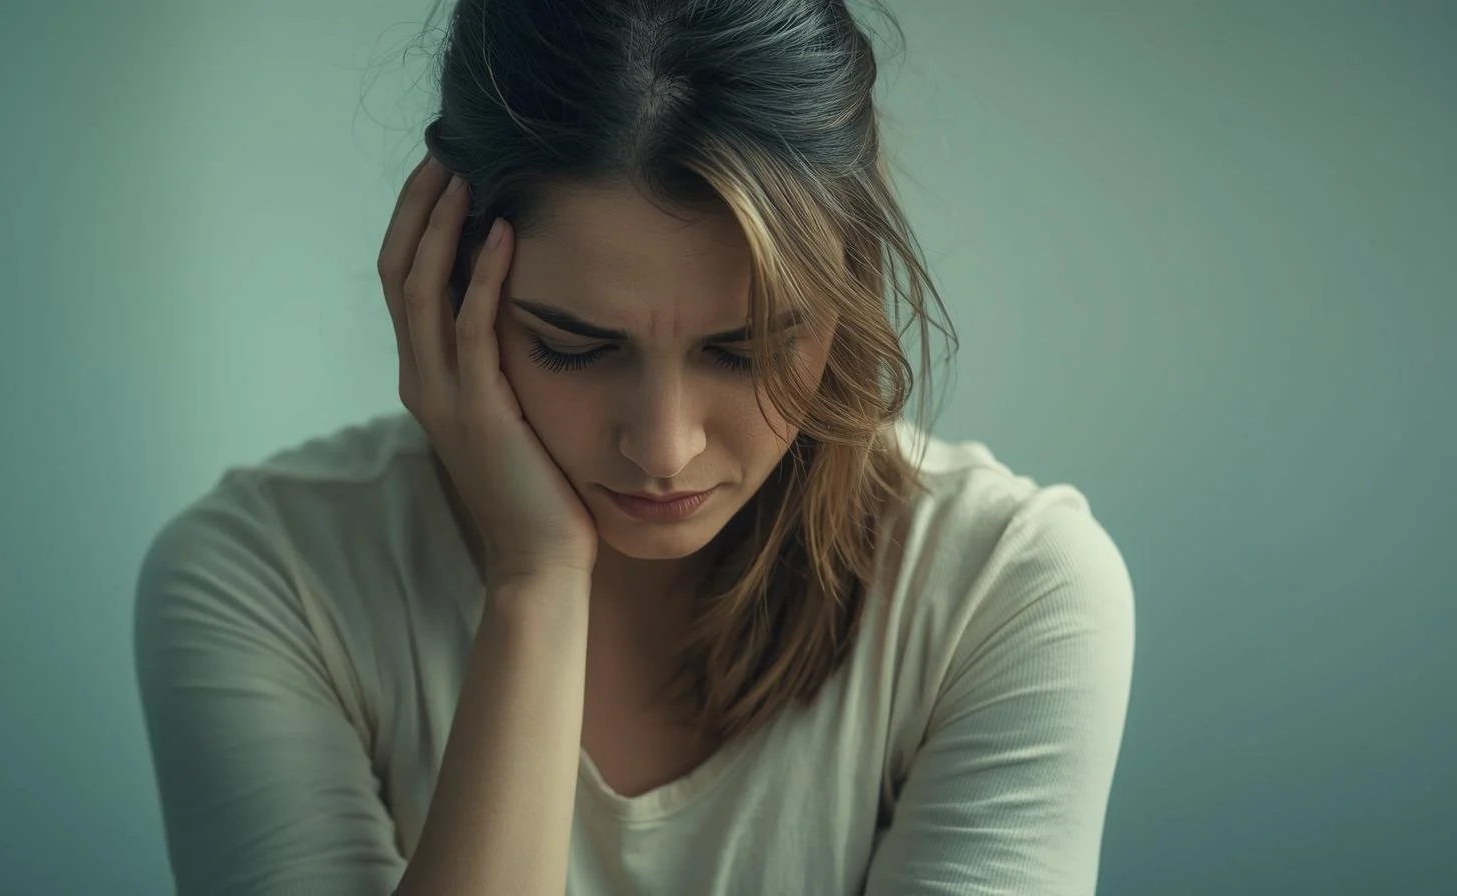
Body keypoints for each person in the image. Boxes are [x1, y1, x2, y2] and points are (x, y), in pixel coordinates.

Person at [132, 1, 1136, 893]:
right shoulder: (265, 578)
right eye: (573, 348)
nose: (664, 446)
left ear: (847, 291)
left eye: (745, 348)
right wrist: (536, 579)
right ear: (443, 288)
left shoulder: (1004, 593)